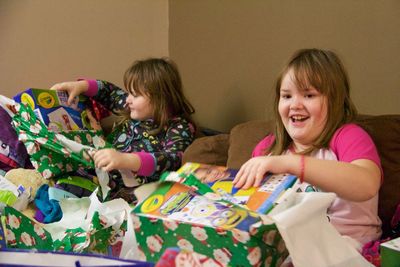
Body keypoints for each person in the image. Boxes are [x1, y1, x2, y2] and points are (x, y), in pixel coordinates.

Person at [233, 48, 382, 248]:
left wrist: (291, 164)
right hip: (287, 250)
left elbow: (367, 185)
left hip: (347, 248)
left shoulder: (347, 136)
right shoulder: (267, 150)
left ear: (335, 100)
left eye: (309, 95)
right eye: (286, 96)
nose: (295, 104)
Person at [51, 57, 196, 203]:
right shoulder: (133, 110)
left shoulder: (178, 127)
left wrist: (126, 160)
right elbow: (109, 92)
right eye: (128, 93)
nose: (128, 99)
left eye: (136, 94)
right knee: (59, 183)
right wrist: (79, 86)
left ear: (161, 97)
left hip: (131, 194)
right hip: (98, 176)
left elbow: (171, 159)